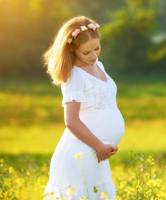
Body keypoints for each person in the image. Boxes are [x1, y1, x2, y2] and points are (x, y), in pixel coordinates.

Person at [42, 16, 125, 200]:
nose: (94, 55)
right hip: (80, 152)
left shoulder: (99, 66)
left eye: (97, 48)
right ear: (72, 50)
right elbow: (71, 121)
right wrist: (99, 146)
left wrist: (105, 146)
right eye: (87, 52)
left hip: (97, 154)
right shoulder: (74, 76)